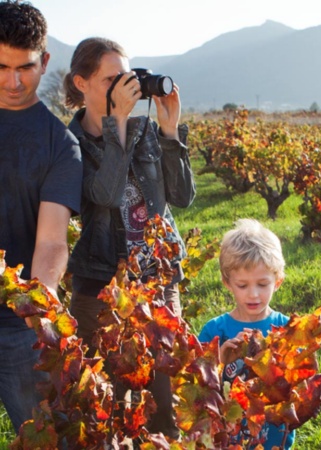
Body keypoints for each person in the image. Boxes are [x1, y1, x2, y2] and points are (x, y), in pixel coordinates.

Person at [63, 37, 195, 439]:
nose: (124, 88)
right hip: (101, 285)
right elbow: (106, 195)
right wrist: (115, 122)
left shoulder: (146, 131)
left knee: (164, 396)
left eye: (127, 77)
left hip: (157, 277)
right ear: (81, 83)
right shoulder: (71, 145)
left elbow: (183, 197)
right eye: (110, 79)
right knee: (106, 399)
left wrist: (170, 133)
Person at [0, 0, 82, 434]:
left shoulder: (59, 145)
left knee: (44, 436)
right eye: (1, 67)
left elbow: (51, 242)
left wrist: (39, 304)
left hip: (19, 325)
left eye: (26, 68)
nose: (13, 81)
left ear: (45, 61)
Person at [198, 218, 295, 449]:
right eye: (243, 285)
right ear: (227, 283)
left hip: (274, 438)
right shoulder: (214, 331)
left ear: (278, 281)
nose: (253, 294)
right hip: (227, 437)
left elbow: (300, 381)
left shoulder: (285, 328)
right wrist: (219, 360)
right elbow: (197, 387)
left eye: (262, 284)